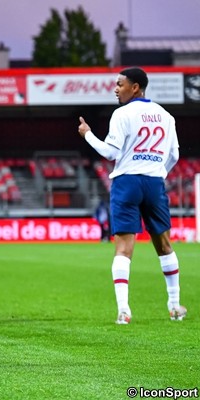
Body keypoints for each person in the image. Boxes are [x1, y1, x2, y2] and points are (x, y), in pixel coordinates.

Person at [78, 67, 186, 324]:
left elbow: (110, 153)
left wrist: (88, 134)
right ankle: (174, 306)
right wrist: (158, 173)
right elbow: (174, 156)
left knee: (124, 248)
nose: (116, 88)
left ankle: (124, 310)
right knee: (164, 244)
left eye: (120, 84)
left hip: (127, 182)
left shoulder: (122, 114)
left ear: (135, 87)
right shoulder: (166, 116)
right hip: (153, 181)